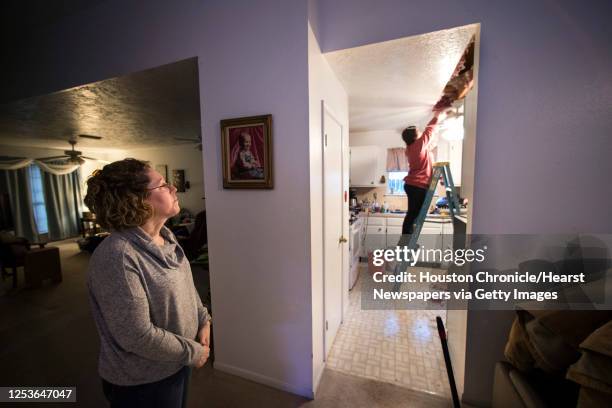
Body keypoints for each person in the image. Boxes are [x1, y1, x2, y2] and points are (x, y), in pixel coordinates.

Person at [84, 158, 211, 408]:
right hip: (142, 380)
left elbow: (186, 284)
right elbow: (136, 335)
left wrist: (203, 318)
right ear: (137, 200)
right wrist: (192, 352)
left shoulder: (165, 236)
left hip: (176, 362)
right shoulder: (118, 256)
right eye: (163, 185)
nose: (174, 188)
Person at [400, 108, 447, 244]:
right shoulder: (418, 146)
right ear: (415, 137)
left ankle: (407, 242)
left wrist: (440, 177)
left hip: (413, 185)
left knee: (414, 215)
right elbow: (429, 131)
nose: (420, 133)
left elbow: (428, 164)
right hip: (417, 186)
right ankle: (406, 243)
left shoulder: (412, 149)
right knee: (414, 215)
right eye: (417, 132)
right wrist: (437, 115)